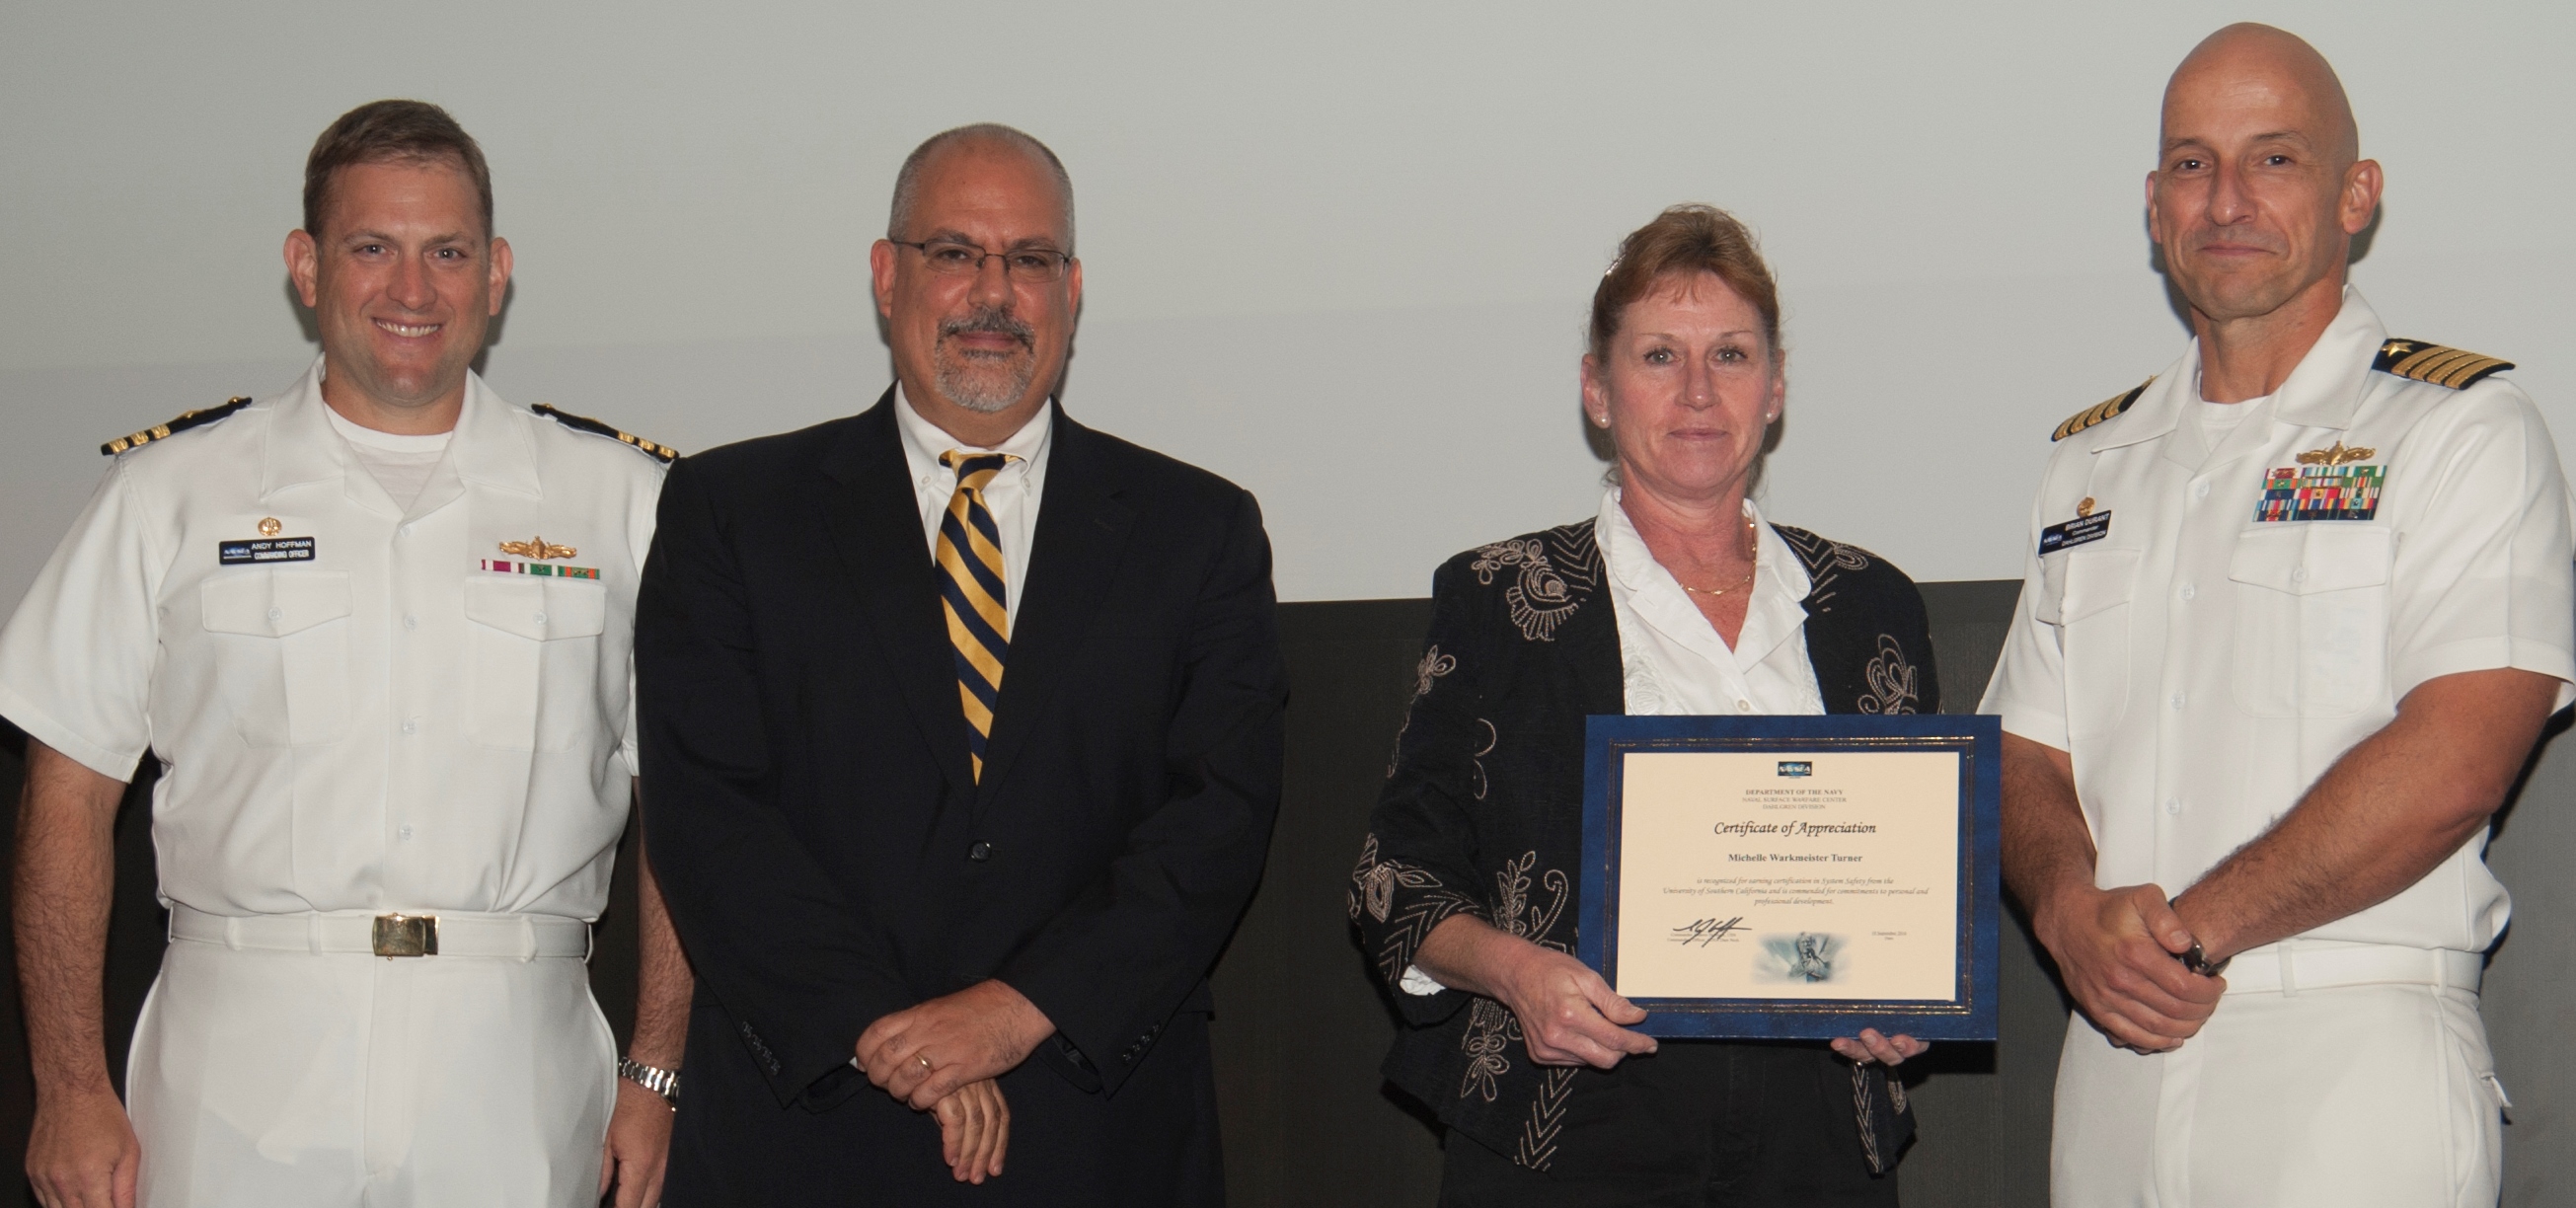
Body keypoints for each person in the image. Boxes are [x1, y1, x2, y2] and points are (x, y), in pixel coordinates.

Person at [2, 100, 692, 1208]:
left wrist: (656, 1070)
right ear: (306, 265)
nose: (411, 291)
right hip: (237, 1063)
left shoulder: (626, 505)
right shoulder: (170, 496)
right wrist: (69, 1084)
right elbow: (67, 795)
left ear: (496, 272)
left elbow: (690, 809)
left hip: (513, 1060)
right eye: (373, 248)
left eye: (447, 253)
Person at [635, 122, 1286, 1205]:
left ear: (1071, 292)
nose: (995, 292)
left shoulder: (1198, 530)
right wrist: (886, 1039)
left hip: (1094, 1131)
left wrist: (1014, 1010)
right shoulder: (734, 514)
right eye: (955, 253)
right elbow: (709, 818)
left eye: (1029, 260)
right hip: (810, 1129)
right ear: (888, 276)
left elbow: (1219, 818)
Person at [1984, 24, 2572, 1206]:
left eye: (2277, 159)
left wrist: (2191, 932)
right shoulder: (2090, 464)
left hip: (2350, 1048)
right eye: (2193, 165)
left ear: (2358, 195)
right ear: (2155, 205)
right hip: (2114, 1064)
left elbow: (2462, 752)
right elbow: (2017, 749)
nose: (2227, 200)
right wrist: (2062, 909)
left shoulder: (2459, 430)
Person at [1352, 203, 1933, 1207]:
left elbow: (1917, 881)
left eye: (1733, 355)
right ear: (1597, 389)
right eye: (1660, 355)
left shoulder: (1867, 604)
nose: (1700, 392)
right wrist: (1514, 973)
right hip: (1568, 1118)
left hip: (1817, 1134)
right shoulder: (1501, 597)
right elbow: (1393, 878)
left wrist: (1907, 990)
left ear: (1778, 385)